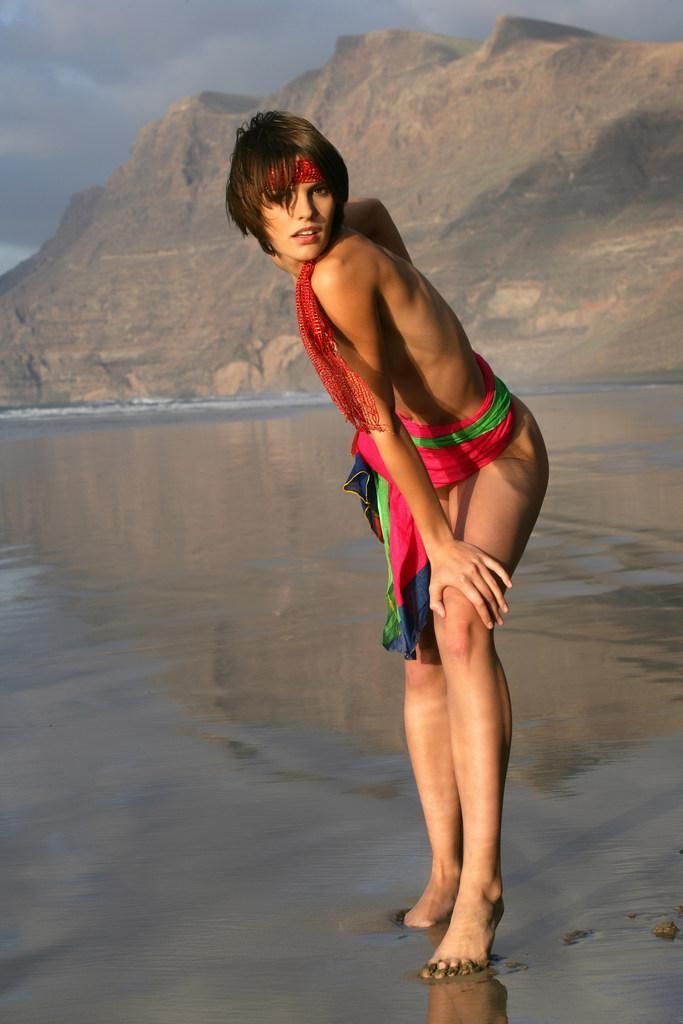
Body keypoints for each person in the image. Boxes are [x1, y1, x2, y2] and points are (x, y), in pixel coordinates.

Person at [226, 111, 549, 980]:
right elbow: (371, 210)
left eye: (317, 188)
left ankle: (481, 886)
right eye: (284, 199)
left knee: (461, 620)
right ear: (250, 216)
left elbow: (378, 417)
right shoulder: (331, 246)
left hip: (495, 444)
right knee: (419, 664)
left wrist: (443, 549)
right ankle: (443, 870)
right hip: (427, 464)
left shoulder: (333, 272)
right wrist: (414, 289)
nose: (308, 211)